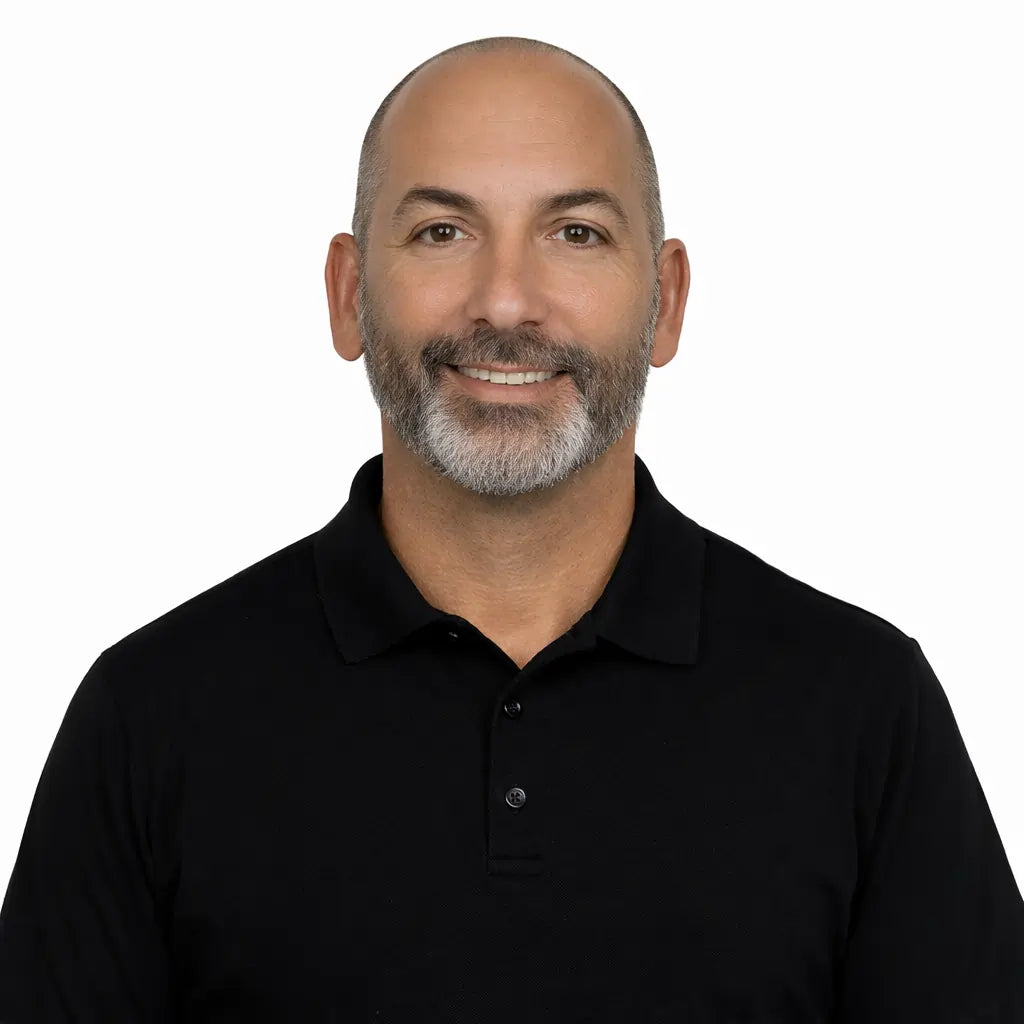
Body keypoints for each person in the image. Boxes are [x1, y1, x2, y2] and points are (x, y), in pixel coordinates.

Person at [1, 34, 1022, 1023]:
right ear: (349, 295)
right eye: (441, 231)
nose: (505, 300)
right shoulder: (148, 717)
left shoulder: (863, 709)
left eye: (575, 232)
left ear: (664, 303)